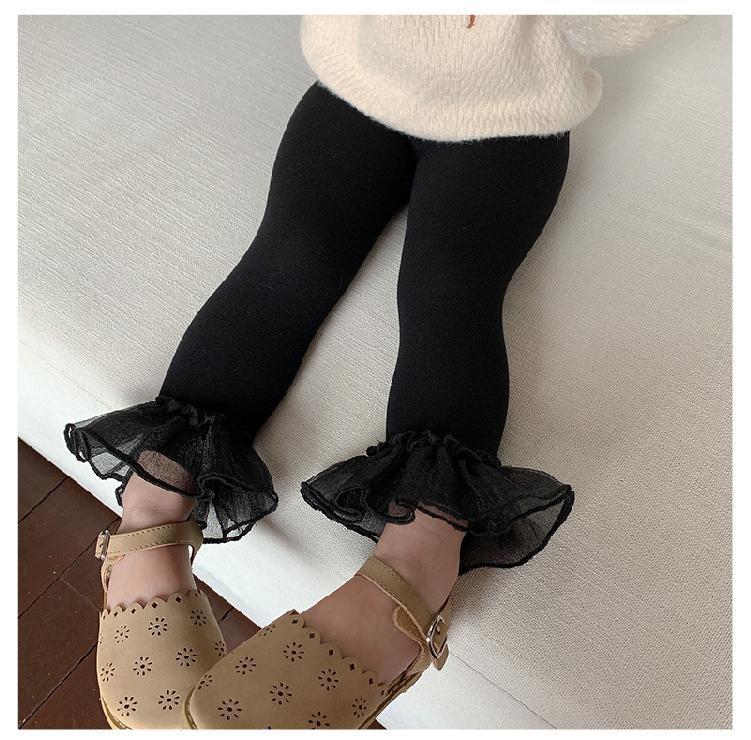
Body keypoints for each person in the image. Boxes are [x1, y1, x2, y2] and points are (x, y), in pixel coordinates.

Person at [63, 14, 689, 729]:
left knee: (447, 290)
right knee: (287, 261)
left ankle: (420, 561)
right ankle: (153, 505)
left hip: (508, 113)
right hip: (358, 85)